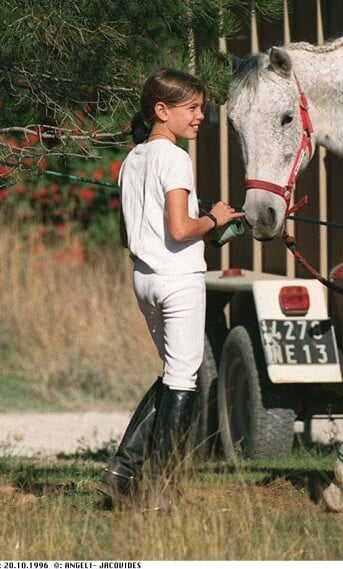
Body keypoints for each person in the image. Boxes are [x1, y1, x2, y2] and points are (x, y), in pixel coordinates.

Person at [96, 68, 244, 509]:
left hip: (143, 278)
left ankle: (121, 472)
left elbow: (128, 235)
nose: (201, 116)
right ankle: (161, 491)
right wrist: (215, 219)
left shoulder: (131, 160)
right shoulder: (176, 158)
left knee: (173, 374)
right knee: (184, 379)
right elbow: (181, 229)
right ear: (162, 111)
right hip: (178, 280)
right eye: (193, 108)